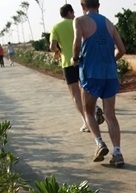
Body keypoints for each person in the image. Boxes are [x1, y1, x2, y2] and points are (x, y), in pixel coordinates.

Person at [73, 0, 126, 167]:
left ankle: (99, 143)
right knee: (110, 115)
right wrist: (111, 60)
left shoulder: (80, 21)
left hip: (91, 73)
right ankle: (117, 152)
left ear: (82, 6)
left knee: (88, 111)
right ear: (98, 5)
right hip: (110, 74)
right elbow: (122, 49)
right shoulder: (108, 22)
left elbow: (77, 42)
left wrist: (75, 59)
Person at [50, 4, 105, 133]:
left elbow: (52, 46)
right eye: (73, 12)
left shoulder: (56, 27)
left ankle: (86, 121)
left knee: (75, 94)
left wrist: (59, 50)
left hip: (68, 63)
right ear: (69, 12)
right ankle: (95, 107)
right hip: (83, 60)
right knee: (86, 88)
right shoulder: (79, 22)